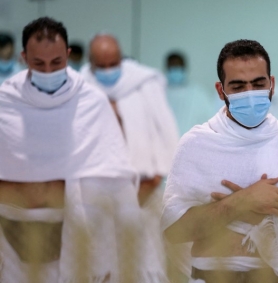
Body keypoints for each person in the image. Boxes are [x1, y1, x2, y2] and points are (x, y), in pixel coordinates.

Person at [162, 40, 278, 283]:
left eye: (258, 84)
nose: (250, 94)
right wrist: (241, 202)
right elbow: (174, 230)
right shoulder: (197, 145)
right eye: (238, 86)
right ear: (220, 90)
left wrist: (264, 220)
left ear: (272, 84)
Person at [0, 17, 164, 282]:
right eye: (38, 64)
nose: (48, 71)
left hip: (75, 242)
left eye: (56, 63)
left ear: (67, 55)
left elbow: (114, 174)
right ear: (23, 57)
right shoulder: (6, 102)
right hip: (13, 238)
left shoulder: (90, 101)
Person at [81, 33, 180, 277]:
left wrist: (135, 197)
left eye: (113, 64)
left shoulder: (144, 85)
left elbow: (163, 143)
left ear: (121, 59)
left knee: (146, 266)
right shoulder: (80, 88)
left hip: (144, 198)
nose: (107, 70)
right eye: (100, 65)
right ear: (90, 63)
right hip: (95, 205)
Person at [166, 51, 215, 134]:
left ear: (184, 68)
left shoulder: (197, 93)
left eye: (178, 67)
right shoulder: (160, 93)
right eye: (172, 67)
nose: (175, 70)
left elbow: (210, 119)